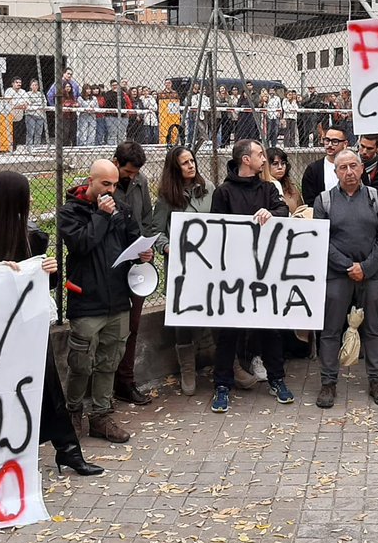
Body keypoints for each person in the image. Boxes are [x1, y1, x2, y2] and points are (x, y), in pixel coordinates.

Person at [0, 171, 102, 476]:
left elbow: (44, 285)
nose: (31, 201)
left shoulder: (32, 236)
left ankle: (68, 450)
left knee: (47, 386)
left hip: (26, 327)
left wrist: (49, 271)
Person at [59, 159, 154, 444]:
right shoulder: (70, 212)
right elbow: (81, 244)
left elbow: (133, 240)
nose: (111, 190)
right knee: (81, 363)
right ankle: (73, 412)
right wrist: (100, 216)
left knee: (109, 361)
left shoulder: (121, 210)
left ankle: (100, 415)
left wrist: (142, 254)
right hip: (87, 301)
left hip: (117, 300)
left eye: (114, 185)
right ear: (90, 181)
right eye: (105, 184)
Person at [208, 139, 292, 412]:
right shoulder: (224, 192)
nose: (264, 159)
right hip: (233, 272)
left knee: (270, 328)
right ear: (246, 160)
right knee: (228, 331)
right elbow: (216, 229)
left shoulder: (268, 189)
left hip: (264, 270)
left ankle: (276, 379)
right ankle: (222, 385)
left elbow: (284, 210)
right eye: (259, 154)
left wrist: (273, 212)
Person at [313, 150, 378, 408]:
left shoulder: (376, 198)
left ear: (362, 169)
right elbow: (321, 239)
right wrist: (348, 266)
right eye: (343, 168)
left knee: (372, 328)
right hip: (336, 275)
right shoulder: (324, 201)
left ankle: (377, 381)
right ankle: (328, 383)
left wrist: (366, 267)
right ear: (335, 172)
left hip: (372, 275)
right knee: (330, 330)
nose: (349, 172)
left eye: (353, 166)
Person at [148, 147, 214, 395]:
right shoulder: (166, 197)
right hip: (181, 268)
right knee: (183, 318)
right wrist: (166, 248)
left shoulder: (208, 189)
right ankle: (187, 369)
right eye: (184, 163)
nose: (191, 165)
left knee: (216, 311)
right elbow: (156, 231)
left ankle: (227, 364)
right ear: (175, 169)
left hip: (209, 264)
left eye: (192, 161)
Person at [111, 140, 155, 405]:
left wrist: (146, 247)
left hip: (138, 263)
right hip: (112, 263)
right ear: (116, 163)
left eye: (136, 173)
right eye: (128, 172)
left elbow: (147, 219)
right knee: (113, 328)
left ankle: (126, 382)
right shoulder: (105, 182)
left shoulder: (141, 182)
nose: (132, 177)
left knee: (134, 325)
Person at [301, 124, 349, 206]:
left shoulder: (354, 168)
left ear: (345, 144)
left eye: (335, 141)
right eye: (327, 140)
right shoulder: (313, 170)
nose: (329, 145)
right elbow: (310, 201)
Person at [265, 147, 304, 215]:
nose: (280, 167)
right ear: (266, 166)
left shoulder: (292, 188)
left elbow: (301, 209)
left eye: (283, 163)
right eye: (275, 164)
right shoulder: (262, 188)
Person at [47, 69, 80, 147]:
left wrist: (76, 104)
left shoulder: (74, 84)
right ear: (64, 74)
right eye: (68, 73)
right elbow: (49, 95)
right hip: (62, 113)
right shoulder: (58, 84)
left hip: (72, 113)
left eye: (71, 74)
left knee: (72, 132)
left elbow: (78, 96)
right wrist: (55, 107)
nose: (69, 75)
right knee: (63, 132)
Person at [2, 78, 29, 152]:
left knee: (18, 134)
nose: (19, 84)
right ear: (12, 83)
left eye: (20, 82)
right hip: (9, 115)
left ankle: (15, 149)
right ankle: (10, 149)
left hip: (19, 116)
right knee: (10, 134)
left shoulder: (23, 91)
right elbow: (11, 103)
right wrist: (20, 104)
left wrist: (18, 104)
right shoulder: (9, 91)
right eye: (17, 82)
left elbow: (27, 102)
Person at [24, 79, 47, 151]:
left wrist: (34, 105)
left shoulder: (41, 95)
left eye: (36, 85)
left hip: (40, 116)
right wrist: (37, 106)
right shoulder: (27, 94)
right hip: (30, 115)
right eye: (33, 85)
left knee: (38, 133)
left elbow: (44, 104)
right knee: (30, 132)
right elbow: (27, 104)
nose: (34, 86)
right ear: (30, 86)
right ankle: (29, 148)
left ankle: (37, 147)